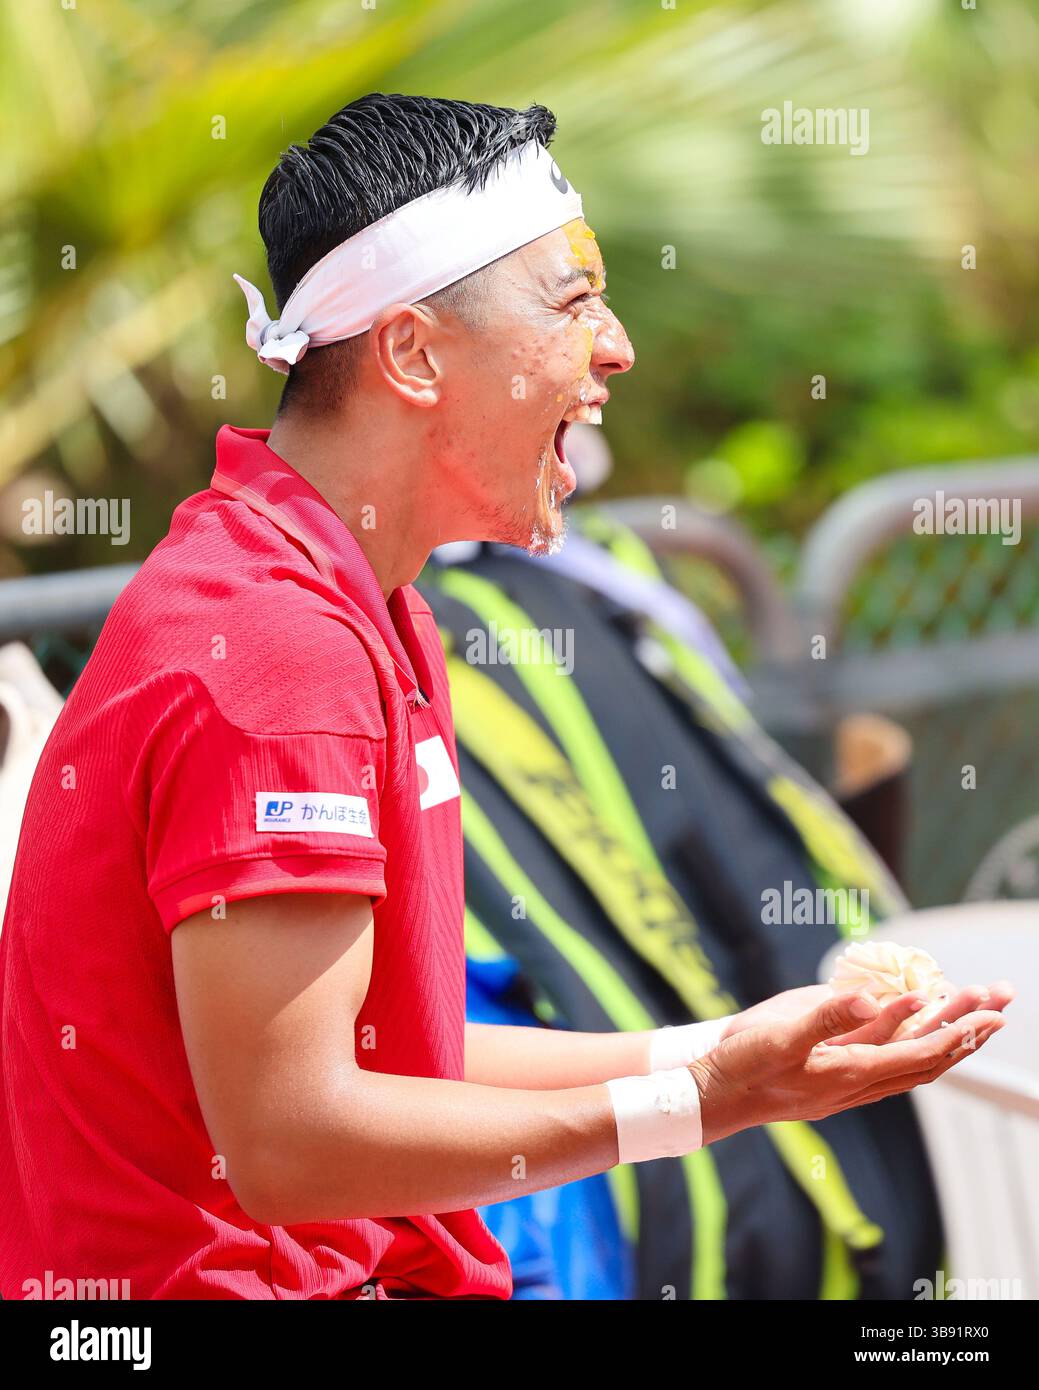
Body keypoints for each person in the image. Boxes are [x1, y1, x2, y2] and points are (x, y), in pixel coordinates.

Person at [0, 93, 1012, 1301]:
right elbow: (288, 1140)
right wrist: (698, 1103)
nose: (618, 346)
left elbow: (394, 1048)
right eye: (573, 300)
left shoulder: (361, 595)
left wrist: (723, 1055)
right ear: (412, 353)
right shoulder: (277, 646)